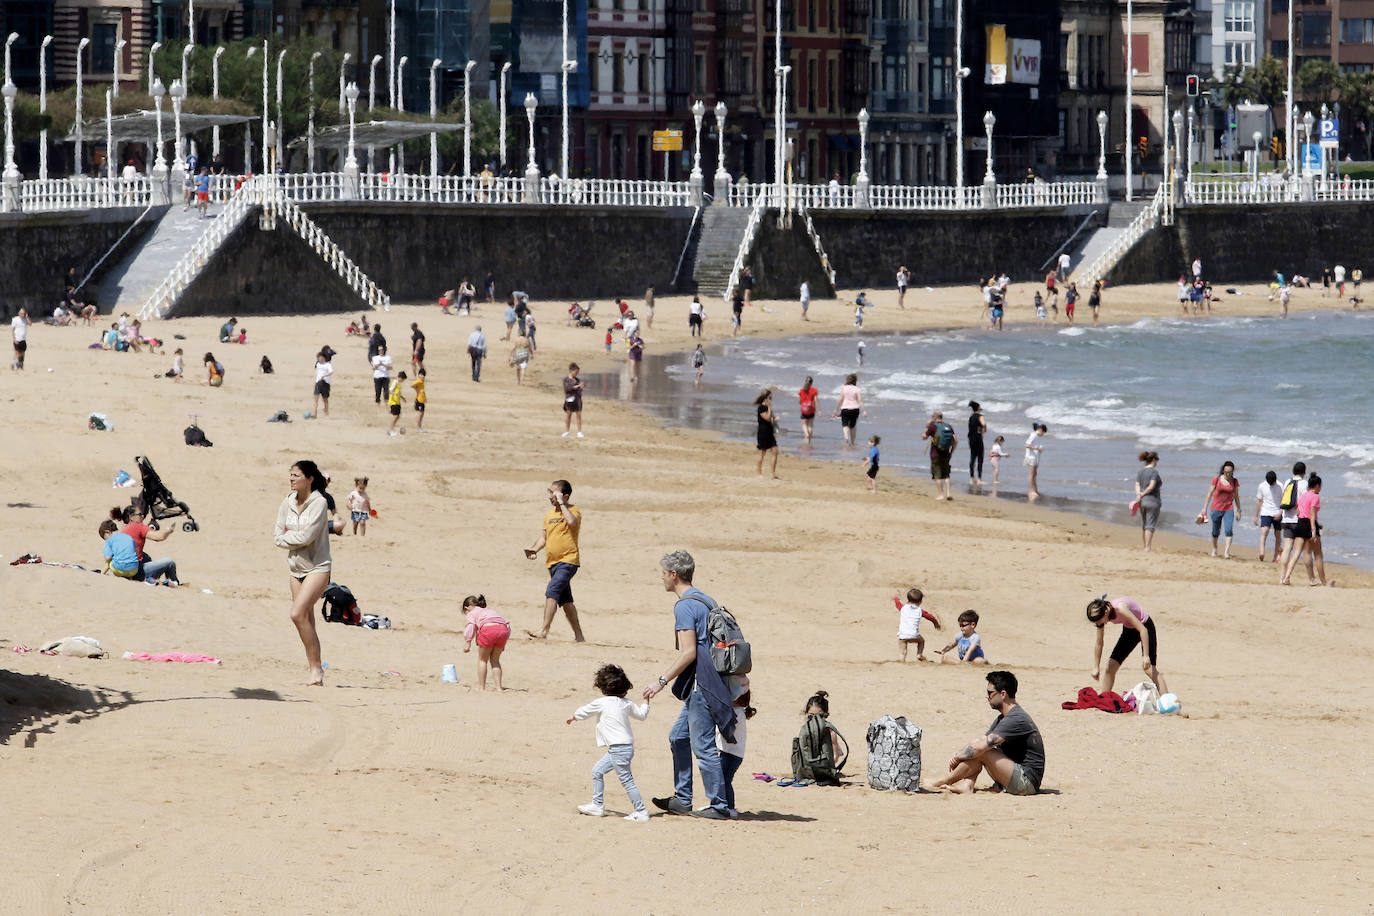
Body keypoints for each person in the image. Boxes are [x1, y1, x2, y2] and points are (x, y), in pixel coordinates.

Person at [642, 550, 736, 819]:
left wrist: (660, 682)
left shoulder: (684, 605)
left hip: (702, 684)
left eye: (663, 573)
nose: (661, 578)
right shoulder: (706, 599)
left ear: (674, 575)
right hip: (711, 681)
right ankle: (683, 798)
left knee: (703, 746)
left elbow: (688, 652)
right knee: (678, 737)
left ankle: (719, 805)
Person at [926, 670, 1045, 796]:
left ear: (1003, 694)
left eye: (990, 693)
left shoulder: (1016, 718)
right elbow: (979, 742)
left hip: (1027, 783)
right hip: (1016, 776)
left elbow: (981, 748)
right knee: (978, 748)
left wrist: (959, 757)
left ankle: (944, 780)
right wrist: (960, 754)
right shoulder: (1003, 718)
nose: (987, 696)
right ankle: (968, 785)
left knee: (983, 751)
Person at [273, 460, 332, 686]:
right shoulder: (287, 502)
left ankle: (317, 669)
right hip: (295, 568)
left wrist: (288, 538)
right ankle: (315, 670)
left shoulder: (319, 502)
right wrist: (288, 539)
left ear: (310, 478)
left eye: (296, 475)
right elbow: (277, 535)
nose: (291, 479)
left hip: (318, 567)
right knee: (307, 619)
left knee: (297, 614)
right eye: (290, 475)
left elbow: (307, 536)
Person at [568, 663, 651, 821]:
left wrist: (574, 717)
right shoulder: (627, 703)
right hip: (623, 749)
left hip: (619, 750)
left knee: (627, 781)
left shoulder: (603, 702)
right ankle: (597, 805)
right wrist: (646, 701)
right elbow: (641, 715)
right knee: (597, 771)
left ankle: (641, 811)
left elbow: (585, 711)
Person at [524, 480, 585, 642]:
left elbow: (572, 523)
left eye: (554, 493)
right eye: (549, 492)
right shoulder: (549, 515)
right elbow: (544, 537)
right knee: (566, 601)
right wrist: (534, 549)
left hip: (568, 561)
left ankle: (544, 630)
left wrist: (562, 504)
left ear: (565, 496)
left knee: (552, 591)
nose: (550, 496)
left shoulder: (573, 511)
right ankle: (579, 636)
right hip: (553, 563)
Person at [1085, 596, 1168, 695]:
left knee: (1149, 669)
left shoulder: (1121, 608)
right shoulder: (1102, 613)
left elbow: (1143, 630)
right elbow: (1099, 643)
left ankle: (1167, 700)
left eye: (1099, 621)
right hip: (1129, 630)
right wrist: (1096, 666)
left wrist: (1145, 656)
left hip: (1145, 627)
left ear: (1105, 613)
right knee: (1111, 667)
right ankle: (1105, 699)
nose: (1099, 624)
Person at [717, 677, 755, 816]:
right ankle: (725, 805)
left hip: (731, 755)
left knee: (725, 779)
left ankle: (730, 808)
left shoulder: (738, 713)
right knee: (723, 779)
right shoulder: (737, 712)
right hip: (729, 753)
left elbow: (726, 728)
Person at [112, 506, 178, 584]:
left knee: (146, 557)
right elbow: (159, 537)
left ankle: (151, 578)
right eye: (140, 514)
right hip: (136, 572)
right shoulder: (138, 526)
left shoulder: (124, 531)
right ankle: (174, 582)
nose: (142, 516)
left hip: (121, 571)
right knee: (169, 562)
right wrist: (168, 531)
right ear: (131, 517)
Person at [1282, 474, 1327, 586]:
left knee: (1299, 553)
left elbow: (1298, 512)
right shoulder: (1315, 497)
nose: (1320, 488)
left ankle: (1286, 577)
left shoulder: (1303, 496)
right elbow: (1312, 513)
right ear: (1316, 486)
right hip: (1309, 524)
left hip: (1300, 523)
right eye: (1320, 486)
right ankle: (1323, 581)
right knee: (1318, 555)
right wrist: (1313, 530)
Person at [462, 594, 511, 691]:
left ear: (467, 607)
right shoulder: (489, 610)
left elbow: (471, 627)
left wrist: (468, 642)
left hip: (488, 630)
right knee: (495, 660)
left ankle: (481, 687)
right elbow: (505, 624)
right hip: (503, 630)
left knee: (482, 660)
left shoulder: (472, 612)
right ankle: (499, 687)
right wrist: (504, 642)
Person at [1196, 460, 1239, 559]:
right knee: (1216, 531)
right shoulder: (1216, 479)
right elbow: (1209, 494)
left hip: (1229, 508)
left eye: (1230, 472)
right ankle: (1214, 549)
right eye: (1226, 471)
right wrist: (1204, 508)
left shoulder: (1235, 481)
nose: (1228, 474)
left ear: (1233, 472)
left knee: (1229, 530)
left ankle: (1226, 552)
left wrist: (1239, 510)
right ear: (1223, 471)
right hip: (1216, 508)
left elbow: (1236, 496)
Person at [1277, 462, 1313, 581]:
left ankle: (1282, 577)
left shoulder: (1287, 482)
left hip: (1286, 518)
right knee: (1300, 550)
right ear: (1304, 471)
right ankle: (1289, 576)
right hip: (1298, 520)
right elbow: (1305, 501)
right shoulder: (1304, 484)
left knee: (1287, 548)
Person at [893, 587, 942, 661]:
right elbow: (930, 617)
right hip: (914, 635)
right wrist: (936, 623)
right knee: (921, 641)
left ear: (908, 600)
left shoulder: (903, 608)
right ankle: (919, 654)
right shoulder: (920, 611)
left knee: (902, 652)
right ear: (920, 602)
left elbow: (897, 604)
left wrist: (895, 598)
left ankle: (902, 661)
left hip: (902, 635)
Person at [922, 409, 958, 501]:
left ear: (935, 417)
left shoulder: (933, 426)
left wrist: (927, 426)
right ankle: (949, 493)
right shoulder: (948, 426)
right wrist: (951, 451)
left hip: (936, 454)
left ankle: (941, 494)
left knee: (937, 475)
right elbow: (955, 440)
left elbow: (924, 437)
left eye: (932, 417)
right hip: (946, 453)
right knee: (946, 475)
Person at [1134, 451, 1163, 551]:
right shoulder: (1154, 472)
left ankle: (1145, 546)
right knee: (1150, 525)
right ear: (1154, 460)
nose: (1157, 462)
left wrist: (1139, 495)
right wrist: (1143, 493)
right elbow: (1151, 486)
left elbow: (1137, 485)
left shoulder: (1140, 471)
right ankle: (1147, 547)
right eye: (1157, 460)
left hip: (1142, 501)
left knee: (1145, 524)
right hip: (1153, 500)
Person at [1254, 470, 1284, 562]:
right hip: (1266, 512)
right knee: (1264, 531)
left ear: (1276, 480)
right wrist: (1256, 516)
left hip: (1277, 512)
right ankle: (1262, 552)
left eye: (1273, 483)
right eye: (1269, 483)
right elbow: (1259, 501)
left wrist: (1280, 512)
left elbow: (1284, 501)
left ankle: (1275, 556)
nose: (1271, 484)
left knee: (1277, 534)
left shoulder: (1281, 486)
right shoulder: (1262, 486)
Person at [831, 373, 866, 446]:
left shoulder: (844, 388)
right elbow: (860, 400)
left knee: (845, 425)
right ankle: (852, 442)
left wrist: (836, 409)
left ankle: (846, 439)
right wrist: (864, 410)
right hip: (855, 409)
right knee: (853, 426)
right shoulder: (857, 389)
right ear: (855, 381)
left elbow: (840, 399)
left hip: (845, 409)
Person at [754, 389, 779, 479]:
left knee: (775, 451)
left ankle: (773, 473)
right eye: (770, 398)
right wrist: (769, 408)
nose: (771, 400)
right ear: (765, 398)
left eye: (771, 398)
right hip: (763, 433)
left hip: (770, 432)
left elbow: (770, 419)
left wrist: (775, 419)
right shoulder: (761, 408)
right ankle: (759, 472)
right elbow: (767, 418)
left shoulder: (767, 408)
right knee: (762, 453)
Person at [1024, 423, 1047, 500]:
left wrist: (1039, 449)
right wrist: (1037, 449)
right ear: (1040, 430)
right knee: (1031, 474)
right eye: (1043, 432)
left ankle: (1035, 490)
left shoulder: (1037, 436)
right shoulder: (1033, 435)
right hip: (1031, 457)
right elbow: (1027, 445)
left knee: (1034, 474)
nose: (1043, 434)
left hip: (1035, 457)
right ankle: (1031, 491)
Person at [562, 363, 585, 438]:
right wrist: (577, 386)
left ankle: (579, 432)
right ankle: (567, 431)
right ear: (571, 371)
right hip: (569, 399)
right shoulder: (566, 379)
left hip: (577, 399)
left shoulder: (577, 379)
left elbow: (579, 389)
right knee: (569, 415)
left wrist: (581, 387)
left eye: (578, 372)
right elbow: (567, 388)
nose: (577, 374)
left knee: (578, 415)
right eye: (576, 372)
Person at [967, 400, 987, 486]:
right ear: (978, 408)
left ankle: (971, 478)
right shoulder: (980, 416)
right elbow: (984, 423)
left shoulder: (971, 417)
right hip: (978, 439)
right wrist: (984, 429)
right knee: (980, 459)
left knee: (972, 458)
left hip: (971, 439)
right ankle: (979, 479)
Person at [798, 376, 819, 443]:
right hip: (811, 410)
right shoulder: (814, 390)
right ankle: (808, 436)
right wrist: (819, 410)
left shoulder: (801, 390)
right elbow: (816, 400)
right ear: (812, 383)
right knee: (810, 424)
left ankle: (806, 434)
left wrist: (802, 404)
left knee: (804, 424)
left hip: (804, 410)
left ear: (805, 381)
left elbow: (799, 401)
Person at [312, 348, 333, 418]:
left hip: (325, 383)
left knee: (325, 399)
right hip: (318, 383)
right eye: (318, 358)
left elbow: (331, 372)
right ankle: (314, 414)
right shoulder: (318, 364)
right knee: (315, 399)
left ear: (324, 358)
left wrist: (325, 376)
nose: (320, 359)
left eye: (321, 358)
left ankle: (326, 413)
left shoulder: (328, 365)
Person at [386, 371, 407, 436]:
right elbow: (390, 391)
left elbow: (398, 393)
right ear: (400, 378)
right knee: (396, 416)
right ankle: (390, 430)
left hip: (397, 402)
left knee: (397, 416)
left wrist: (402, 398)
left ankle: (392, 429)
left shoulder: (398, 383)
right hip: (393, 402)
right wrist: (395, 394)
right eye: (403, 379)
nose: (403, 381)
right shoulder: (395, 382)